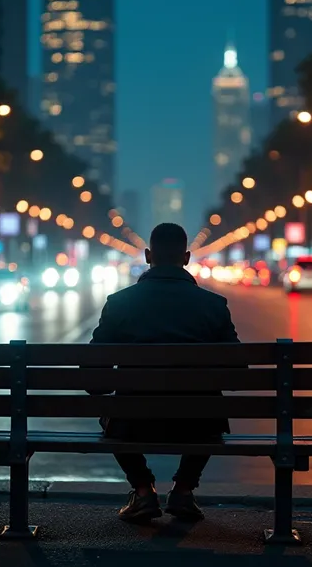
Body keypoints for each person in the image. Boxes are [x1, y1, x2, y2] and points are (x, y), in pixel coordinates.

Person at [89, 222, 239, 523]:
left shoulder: (119, 304)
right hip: (199, 424)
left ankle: (144, 491)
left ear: (147, 255)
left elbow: (94, 380)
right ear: (186, 258)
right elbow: (235, 373)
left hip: (131, 423)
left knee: (112, 411)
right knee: (211, 407)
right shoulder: (213, 305)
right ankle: (183, 490)